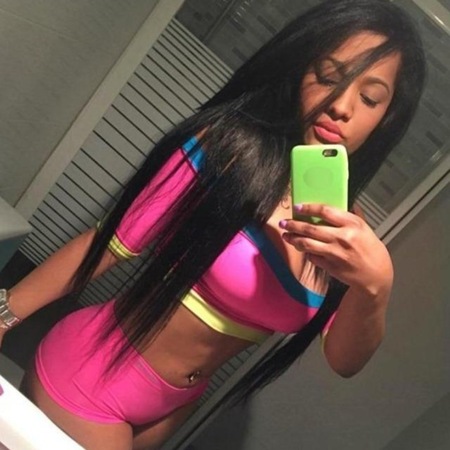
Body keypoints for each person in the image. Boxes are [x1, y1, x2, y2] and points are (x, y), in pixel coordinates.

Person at [0, 0, 426, 449]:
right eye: (328, 76)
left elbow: (344, 361)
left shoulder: (347, 230)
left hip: (171, 406)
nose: (341, 106)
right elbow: (109, 242)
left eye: (370, 97)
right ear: (300, 69)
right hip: (94, 370)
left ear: (387, 116)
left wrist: (374, 287)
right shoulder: (228, 150)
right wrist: (4, 314)